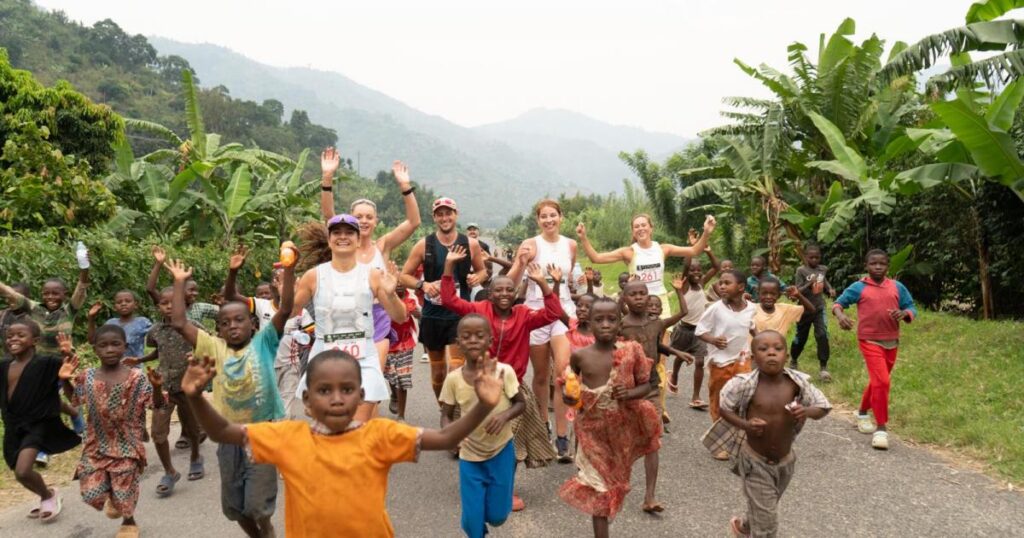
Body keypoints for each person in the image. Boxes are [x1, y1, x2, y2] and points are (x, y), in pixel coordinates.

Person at [182, 347, 508, 538]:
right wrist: (196, 397)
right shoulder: (288, 437)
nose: (337, 399)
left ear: (361, 396)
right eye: (325, 391)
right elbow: (223, 432)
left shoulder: (379, 435)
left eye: (347, 390)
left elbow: (448, 437)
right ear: (307, 401)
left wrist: (484, 404)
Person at [167, 251, 296, 538]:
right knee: (234, 508)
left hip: (263, 434)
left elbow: (285, 309)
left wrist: (289, 270)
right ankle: (258, 534)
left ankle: (266, 529)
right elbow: (179, 322)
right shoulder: (213, 347)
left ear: (253, 324)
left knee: (258, 506)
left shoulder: (264, 342)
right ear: (218, 329)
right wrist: (178, 282)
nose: (233, 326)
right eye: (226, 323)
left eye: (239, 320)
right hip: (227, 436)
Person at [440, 246, 562, 507]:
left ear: (516, 293)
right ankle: (479, 484)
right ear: (490, 293)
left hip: (513, 389)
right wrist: (449, 267)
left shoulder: (524, 315)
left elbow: (553, 314)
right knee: (475, 438)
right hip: (478, 385)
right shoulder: (479, 309)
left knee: (511, 445)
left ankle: (506, 490)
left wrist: (543, 283)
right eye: (499, 290)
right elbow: (450, 300)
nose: (505, 294)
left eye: (509, 290)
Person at [708, 330, 832, 538]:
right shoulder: (745, 385)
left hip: (785, 463)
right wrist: (745, 424)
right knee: (767, 525)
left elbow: (823, 407)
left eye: (777, 348)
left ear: (787, 356)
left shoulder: (796, 384)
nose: (771, 353)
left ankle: (744, 527)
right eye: (763, 349)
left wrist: (806, 411)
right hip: (755, 462)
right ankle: (757, 530)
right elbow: (724, 408)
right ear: (753, 358)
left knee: (766, 507)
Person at [559, 298, 662, 538]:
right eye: (599, 319)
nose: (605, 324)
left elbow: (646, 385)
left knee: (616, 483)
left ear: (620, 324)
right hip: (592, 432)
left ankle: (645, 495)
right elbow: (572, 390)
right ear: (588, 322)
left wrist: (630, 393)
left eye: (612, 319)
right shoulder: (580, 357)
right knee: (600, 491)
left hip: (622, 431)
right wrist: (570, 397)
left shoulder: (631, 351)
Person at [294, 214, 408, 422]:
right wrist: (285, 286)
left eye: (349, 233)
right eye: (337, 232)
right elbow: (291, 312)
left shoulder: (372, 275)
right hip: (324, 358)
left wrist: (391, 294)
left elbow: (399, 317)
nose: (343, 237)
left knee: (358, 428)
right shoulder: (313, 276)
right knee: (329, 429)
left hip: (363, 356)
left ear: (358, 240)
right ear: (329, 240)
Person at [321, 150, 422, 370]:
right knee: (347, 378)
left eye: (369, 217)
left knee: (372, 377)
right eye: (358, 217)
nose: (364, 221)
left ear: (376, 221)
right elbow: (329, 215)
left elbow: (414, 222)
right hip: (345, 317)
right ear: (349, 220)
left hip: (378, 316)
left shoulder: (382, 246)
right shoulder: (343, 247)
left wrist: (405, 185)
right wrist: (327, 177)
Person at [67, 324, 166, 538]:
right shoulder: (87, 376)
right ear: (95, 350)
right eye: (103, 345)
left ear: (125, 347)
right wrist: (65, 380)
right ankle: (114, 498)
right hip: (96, 443)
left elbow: (157, 405)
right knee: (91, 493)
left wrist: (157, 387)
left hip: (127, 443)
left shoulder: (137, 377)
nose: (109, 349)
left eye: (115, 344)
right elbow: (76, 398)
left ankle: (128, 521)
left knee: (124, 489)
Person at [505, 199, 580, 461]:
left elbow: (571, 282)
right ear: (538, 220)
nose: (549, 220)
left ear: (561, 217)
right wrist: (520, 262)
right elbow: (512, 282)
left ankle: (562, 435)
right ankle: (542, 428)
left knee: (561, 374)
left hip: (561, 311)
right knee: (539, 377)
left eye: (553, 215)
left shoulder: (571, 245)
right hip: (536, 313)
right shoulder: (530, 245)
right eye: (543, 217)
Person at [440, 315, 524, 538]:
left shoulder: (504, 372)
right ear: (458, 343)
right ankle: (477, 529)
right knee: (471, 522)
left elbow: (520, 404)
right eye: (466, 336)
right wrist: (451, 437)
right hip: (470, 456)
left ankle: (486, 520)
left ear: (490, 340)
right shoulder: (453, 379)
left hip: (501, 451)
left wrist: (504, 416)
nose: (473, 340)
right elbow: (445, 416)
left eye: (480, 335)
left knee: (498, 516)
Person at [400, 197, 488, 400]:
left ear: (456, 215)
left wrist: (477, 277)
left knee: (456, 367)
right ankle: (444, 409)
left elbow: (483, 271)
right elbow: (403, 276)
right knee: (438, 372)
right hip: (433, 315)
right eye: (440, 214)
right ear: (434, 217)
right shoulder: (424, 245)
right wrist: (424, 285)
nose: (444, 217)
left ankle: (455, 410)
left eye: (448, 213)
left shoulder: (470, 244)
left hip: (460, 314)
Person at [833, 249, 917, 451]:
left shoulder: (897, 287)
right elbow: (838, 303)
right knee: (882, 381)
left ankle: (862, 412)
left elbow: (911, 307)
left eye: (882, 264)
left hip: (892, 341)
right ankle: (881, 429)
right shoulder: (859, 287)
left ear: (888, 266)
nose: (878, 267)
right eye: (873, 263)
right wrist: (840, 316)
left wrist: (904, 313)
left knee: (878, 382)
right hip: (869, 340)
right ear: (866, 266)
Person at [616, 279, 689, 513]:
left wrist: (676, 351)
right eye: (633, 294)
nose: (639, 298)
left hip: (651, 388)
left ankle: (649, 496)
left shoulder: (656, 323)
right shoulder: (621, 327)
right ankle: (615, 486)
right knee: (623, 440)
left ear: (649, 297)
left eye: (643, 294)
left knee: (653, 441)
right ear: (624, 299)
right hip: (627, 390)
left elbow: (656, 347)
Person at [126, 285, 205, 494]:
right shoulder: (155, 331)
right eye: (164, 303)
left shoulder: (193, 326)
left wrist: (198, 361)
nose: (169, 306)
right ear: (158, 306)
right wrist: (140, 359)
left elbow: (209, 347)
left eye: (174, 302)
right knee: (159, 433)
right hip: (162, 386)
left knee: (193, 427)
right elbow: (158, 352)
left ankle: (196, 456)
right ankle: (170, 471)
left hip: (187, 385)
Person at [1, 321, 79, 523]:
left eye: (20, 335)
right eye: (10, 336)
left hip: (38, 423)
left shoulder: (46, 363)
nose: (14, 339)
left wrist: (67, 354)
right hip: (13, 424)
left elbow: (68, 368)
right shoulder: (4, 365)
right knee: (18, 472)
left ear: (34, 341)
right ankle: (48, 491)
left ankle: (48, 497)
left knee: (23, 470)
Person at [576, 213, 716, 319]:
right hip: (637, 301)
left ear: (651, 228)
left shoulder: (663, 249)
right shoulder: (629, 252)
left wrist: (706, 233)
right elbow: (596, 258)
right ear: (633, 231)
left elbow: (694, 250)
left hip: (660, 301)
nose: (640, 228)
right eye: (636, 226)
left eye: (644, 225)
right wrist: (583, 238)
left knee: (661, 345)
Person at [695, 269, 757, 460]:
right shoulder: (716, 308)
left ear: (740, 288)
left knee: (743, 401)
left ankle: (741, 439)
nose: (721, 286)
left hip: (742, 360)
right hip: (719, 363)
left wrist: (763, 346)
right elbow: (700, 331)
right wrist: (713, 340)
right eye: (720, 283)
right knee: (720, 402)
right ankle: (719, 443)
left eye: (726, 283)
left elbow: (754, 329)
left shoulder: (751, 308)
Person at [669, 253, 719, 409]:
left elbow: (716, 267)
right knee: (680, 355)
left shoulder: (702, 283)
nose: (696, 273)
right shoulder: (684, 286)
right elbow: (685, 267)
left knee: (699, 361)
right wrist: (691, 250)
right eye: (692, 270)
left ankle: (696, 397)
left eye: (699, 270)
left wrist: (709, 251)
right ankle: (675, 375)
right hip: (684, 329)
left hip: (700, 331)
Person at [790, 244, 836, 379]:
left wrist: (830, 289)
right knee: (801, 337)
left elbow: (824, 280)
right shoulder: (801, 271)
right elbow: (797, 291)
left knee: (822, 335)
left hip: (819, 307)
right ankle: (793, 359)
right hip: (804, 309)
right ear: (805, 257)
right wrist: (809, 284)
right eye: (812, 257)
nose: (815, 260)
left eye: (817, 257)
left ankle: (823, 367)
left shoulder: (823, 269)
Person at [147, 246, 219, 328]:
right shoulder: (168, 301)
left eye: (196, 290)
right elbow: (150, 289)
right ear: (179, 289)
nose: (195, 293)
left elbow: (222, 312)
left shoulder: (199, 308)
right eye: (191, 290)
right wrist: (159, 263)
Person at [224, 247, 286, 331]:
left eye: (285, 280)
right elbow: (230, 296)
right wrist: (233, 271)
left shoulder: (300, 311)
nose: (280, 285)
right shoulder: (262, 305)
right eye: (277, 280)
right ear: (271, 287)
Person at [384, 284, 419, 421]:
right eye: (395, 283)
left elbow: (408, 312)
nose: (398, 286)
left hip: (406, 342)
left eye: (400, 283)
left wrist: (419, 314)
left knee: (402, 379)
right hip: (387, 341)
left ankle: (401, 416)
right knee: (392, 376)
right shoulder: (382, 297)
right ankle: (394, 395)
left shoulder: (410, 299)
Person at [86, 290, 153, 361]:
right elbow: (92, 341)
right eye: (119, 302)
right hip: (112, 367)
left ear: (135, 305)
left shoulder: (142, 322)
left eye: (128, 301)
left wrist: (143, 359)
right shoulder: (110, 323)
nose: (123, 304)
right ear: (114, 307)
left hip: (134, 367)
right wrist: (91, 318)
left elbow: (158, 337)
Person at [0, 282, 31, 351]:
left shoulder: (33, 315)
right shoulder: (3, 315)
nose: (12, 300)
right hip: (9, 359)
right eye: (9, 297)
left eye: (15, 297)